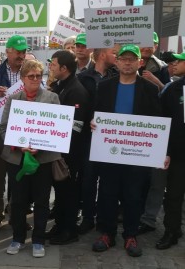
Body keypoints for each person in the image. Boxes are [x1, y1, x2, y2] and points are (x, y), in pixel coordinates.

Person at [91, 44, 162, 257]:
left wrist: (159, 150)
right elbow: (96, 114)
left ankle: (130, 234)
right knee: (107, 193)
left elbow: (157, 122)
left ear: (140, 62)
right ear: (118, 62)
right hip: (109, 151)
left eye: (133, 59)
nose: (128, 62)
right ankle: (107, 233)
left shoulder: (150, 89)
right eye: (124, 59)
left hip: (136, 154)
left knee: (133, 196)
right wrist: (93, 122)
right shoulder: (104, 86)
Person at [0, 59, 61, 257]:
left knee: (42, 201)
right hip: (17, 159)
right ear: (22, 78)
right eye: (31, 76)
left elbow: (57, 128)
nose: (35, 79)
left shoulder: (52, 98)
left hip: (42, 160)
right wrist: (19, 145)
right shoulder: (13, 99)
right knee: (17, 201)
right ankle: (17, 238)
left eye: (38, 76)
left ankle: (38, 240)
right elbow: (4, 127)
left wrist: (40, 146)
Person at [0, 35, 28, 233]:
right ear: (7, 51)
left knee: (19, 178)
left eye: (24, 51)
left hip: (22, 133)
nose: (21, 55)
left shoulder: (30, 71)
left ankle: (18, 214)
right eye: (18, 51)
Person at [48, 50, 90, 245]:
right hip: (58, 151)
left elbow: (76, 127)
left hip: (69, 154)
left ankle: (69, 230)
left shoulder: (76, 91)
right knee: (61, 193)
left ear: (64, 68)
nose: (50, 67)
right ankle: (60, 224)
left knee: (70, 193)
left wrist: (62, 152)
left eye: (53, 65)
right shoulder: (60, 86)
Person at [77, 46, 119, 234]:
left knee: (109, 179)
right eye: (114, 53)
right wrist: (88, 122)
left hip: (112, 138)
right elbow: (79, 107)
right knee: (89, 179)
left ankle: (104, 216)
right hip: (89, 138)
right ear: (103, 55)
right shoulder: (84, 78)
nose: (116, 56)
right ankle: (87, 217)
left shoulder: (117, 76)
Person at [155, 52, 185, 250]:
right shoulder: (173, 89)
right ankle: (172, 231)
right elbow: (162, 121)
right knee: (173, 195)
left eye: (178, 61)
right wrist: (165, 151)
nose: (173, 64)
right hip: (178, 154)